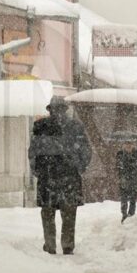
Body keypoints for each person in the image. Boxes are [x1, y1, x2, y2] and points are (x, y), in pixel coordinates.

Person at [28, 98, 92, 255]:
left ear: (50, 110)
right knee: (69, 213)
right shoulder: (76, 126)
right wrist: (79, 167)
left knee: (48, 213)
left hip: (47, 176)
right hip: (69, 176)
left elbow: (33, 152)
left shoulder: (40, 126)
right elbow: (86, 150)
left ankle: (50, 245)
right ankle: (68, 245)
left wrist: (37, 171)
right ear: (65, 109)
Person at [115, 134, 137, 223]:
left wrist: (133, 165)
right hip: (124, 179)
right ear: (123, 145)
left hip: (135, 179)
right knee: (123, 199)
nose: (128, 146)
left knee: (133, 199)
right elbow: (119, 166)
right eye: (126, 144)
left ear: (133, 145)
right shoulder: (120, 154)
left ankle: (131, 214)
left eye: (130, 144)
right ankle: (124, 215)